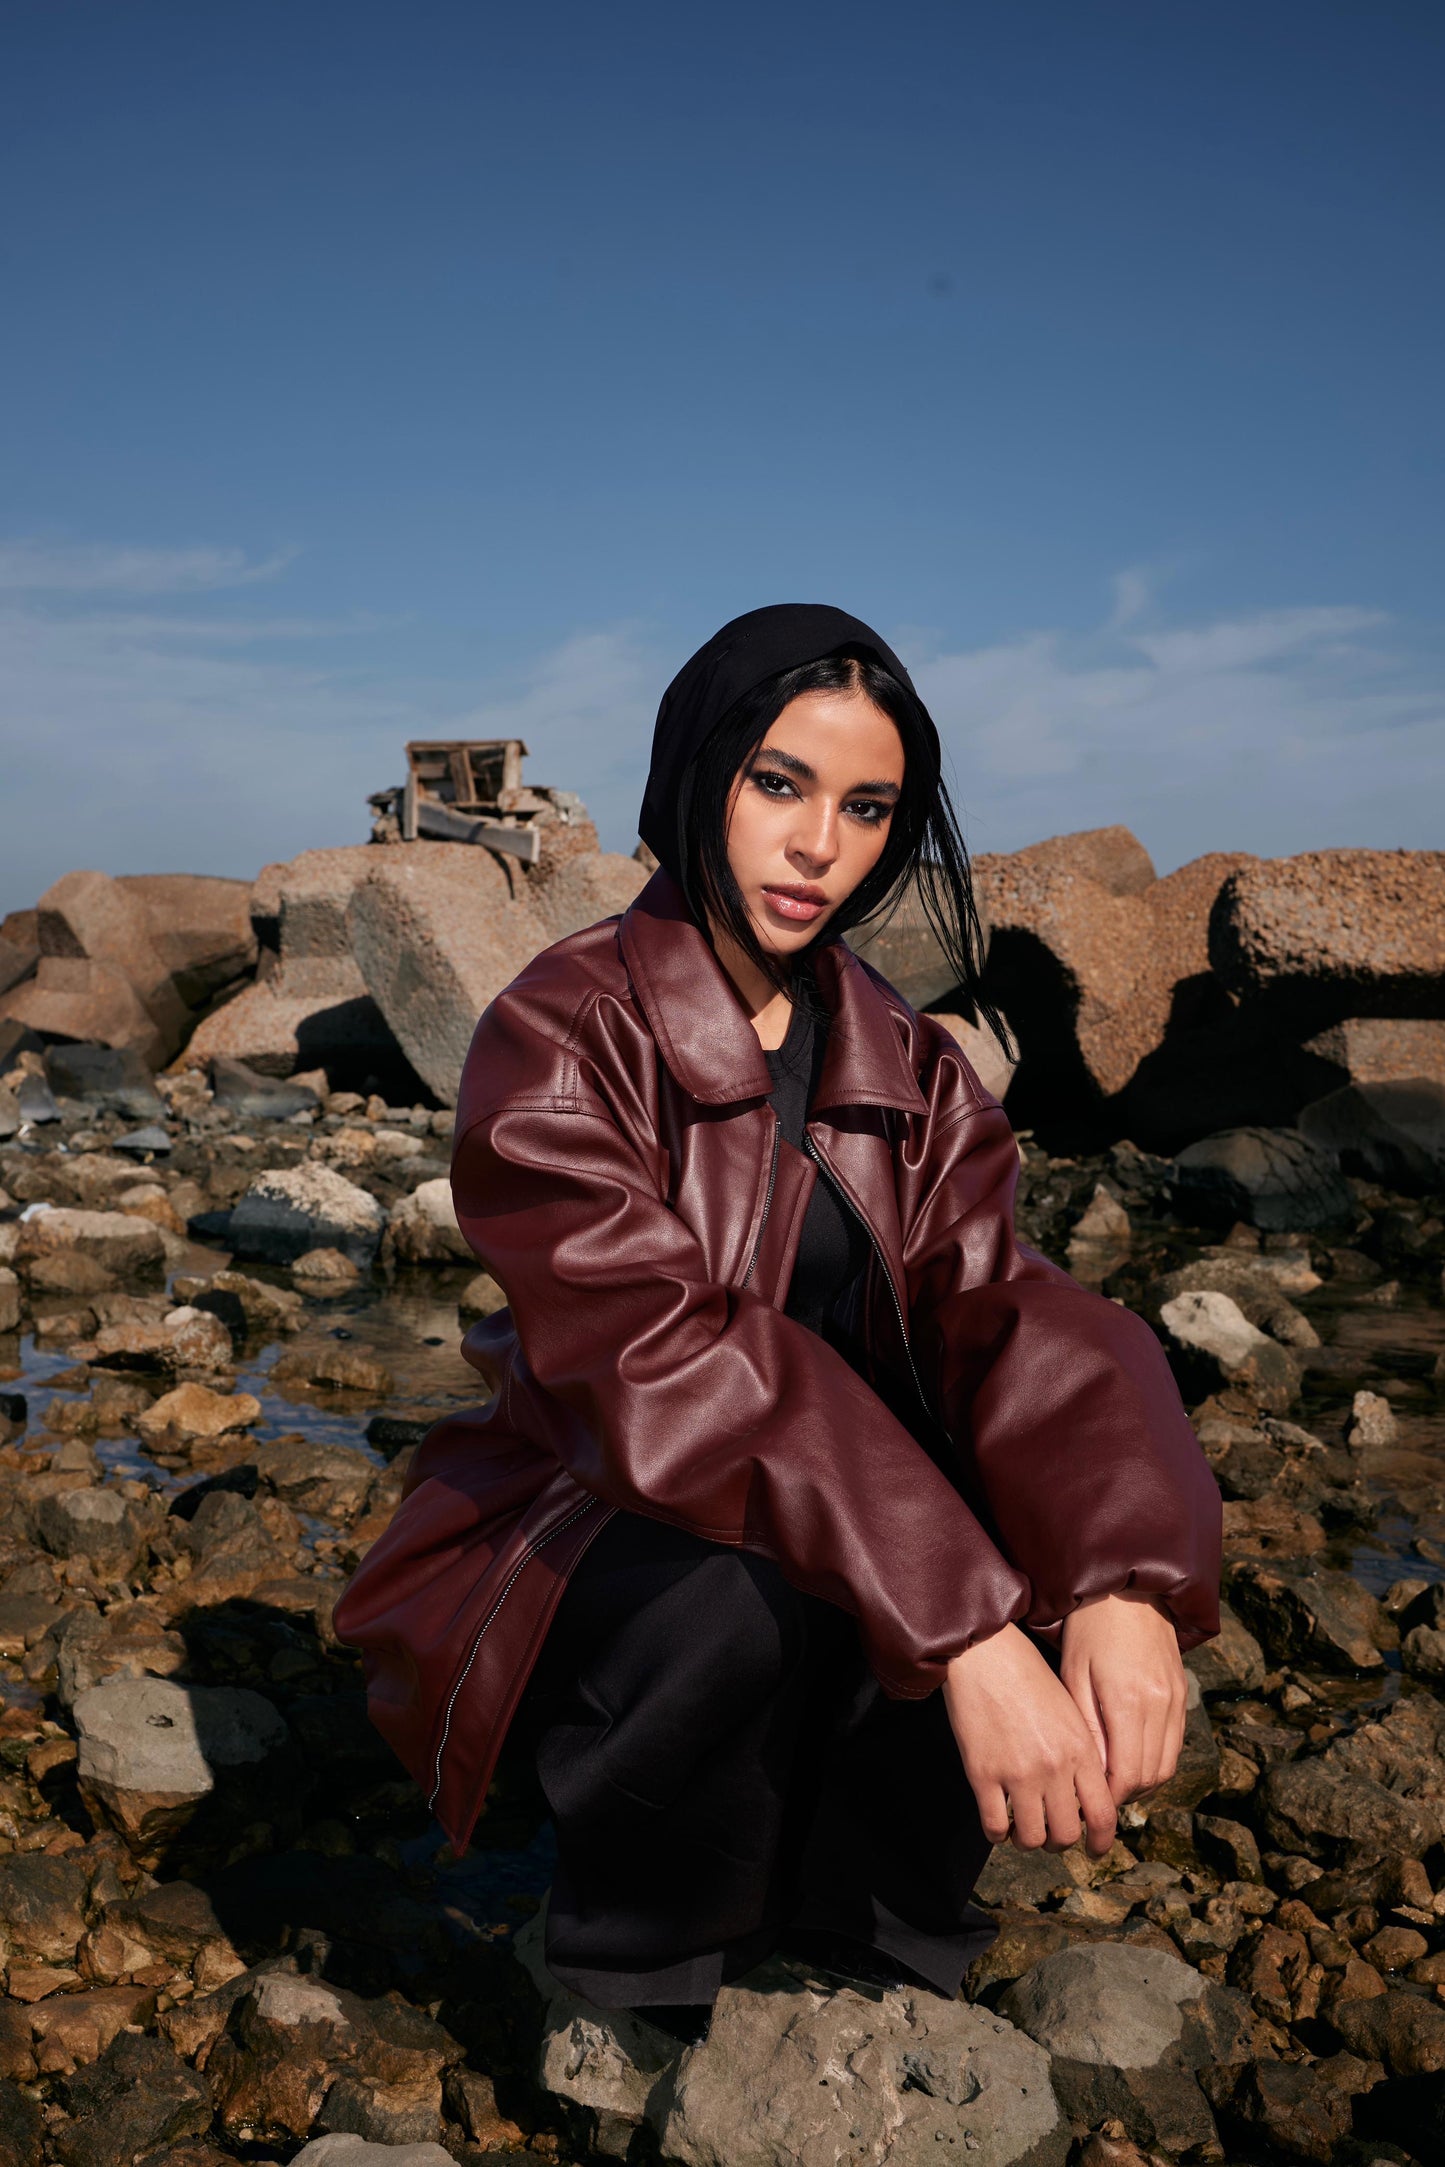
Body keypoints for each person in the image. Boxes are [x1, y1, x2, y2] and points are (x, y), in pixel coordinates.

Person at [333, 603, 1221, 2042]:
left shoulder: (907, 1061)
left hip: (824, 1494)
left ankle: (881, 1962)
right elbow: (654, 1363)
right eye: (778, 785)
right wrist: (970, 1629)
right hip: (577, 1505)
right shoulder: (562, 1031)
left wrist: (1120, 1578)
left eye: (867, 808)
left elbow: (1003, 1303)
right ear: (697, 775)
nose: (820, 846)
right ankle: (637, 1985)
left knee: (981, 1541)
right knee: (741, 1602)